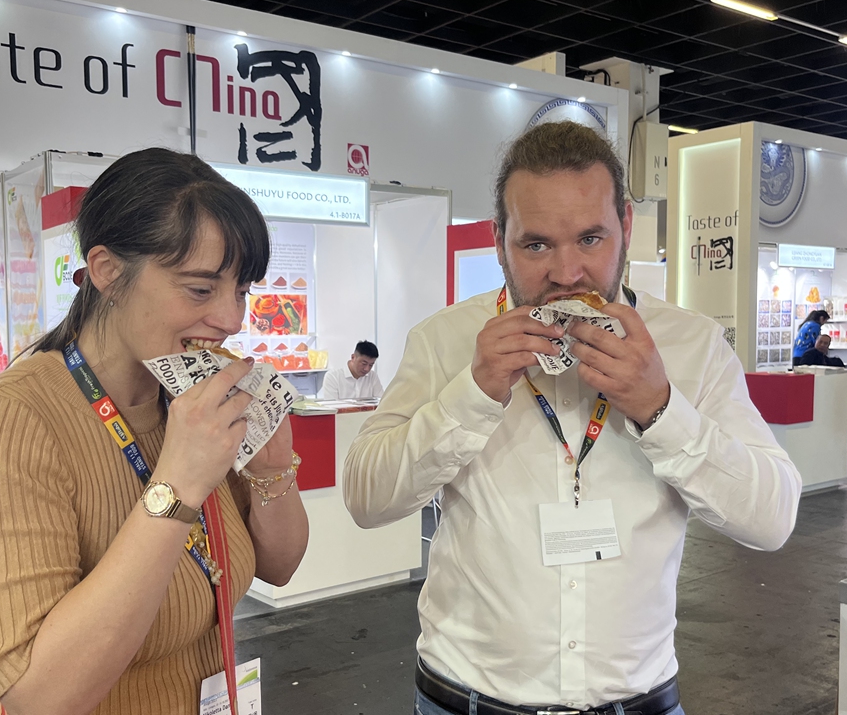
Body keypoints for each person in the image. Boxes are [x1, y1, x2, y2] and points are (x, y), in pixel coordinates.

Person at [344, 121, 802, 715]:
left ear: (627, 228)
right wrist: (472, 394)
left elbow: (773, 518)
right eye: (535, 245)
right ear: (498, 239)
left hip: (639, 699)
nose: (565, 272)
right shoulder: (448, 339)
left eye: (590, 239)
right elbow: (365, 496)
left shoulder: (691, 345)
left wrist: (661, 410)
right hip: (466, 698)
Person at [0, 149, 309, 715]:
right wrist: (179, 484)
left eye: (242, 291)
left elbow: (278, 568)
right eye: (201, 289)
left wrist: (271, 466)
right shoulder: (6, 420)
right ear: (109, 272)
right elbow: (41, 697)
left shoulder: (188, 398)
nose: (233, 319)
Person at [318, 340, 383, 400]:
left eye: (371, 365)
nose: (367, 369)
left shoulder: (372, 376)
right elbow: (332, 407)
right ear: (353, 357)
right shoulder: (333, 377)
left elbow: (381, 402)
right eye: (364, 363)